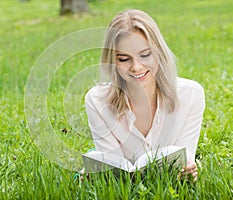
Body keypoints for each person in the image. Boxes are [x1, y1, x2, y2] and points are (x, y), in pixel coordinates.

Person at [84, 9, 205, 180]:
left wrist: (187, 171)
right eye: (124, 59)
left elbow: (184, 158)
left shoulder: (191, 94)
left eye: (145, 55)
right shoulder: (96, 100)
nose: (136, 67)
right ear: (112, 60)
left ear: (159, 52)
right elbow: (114, 167)